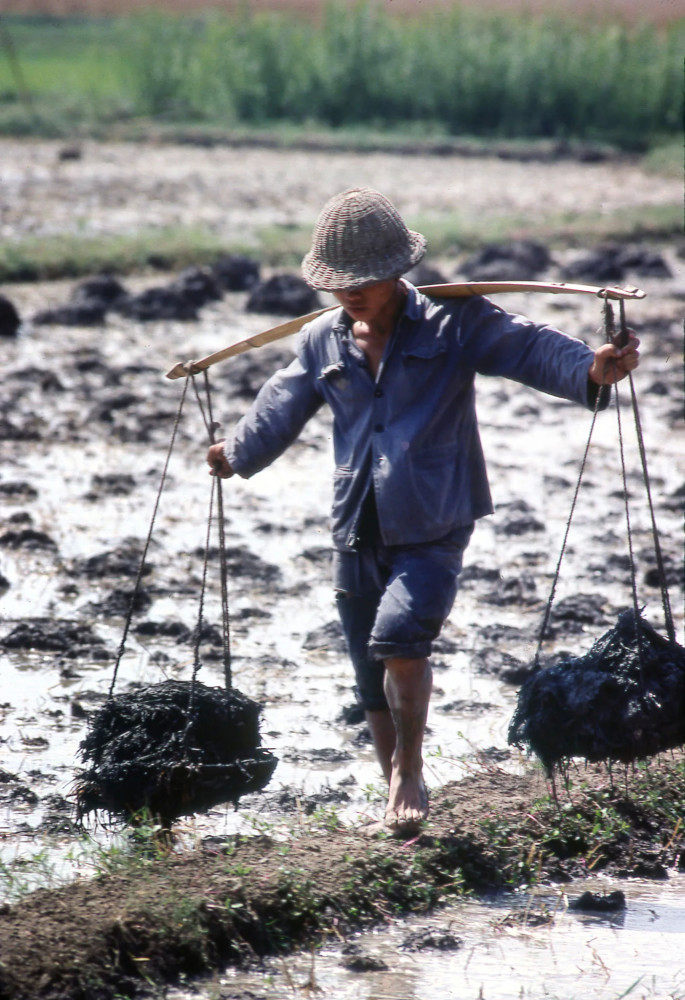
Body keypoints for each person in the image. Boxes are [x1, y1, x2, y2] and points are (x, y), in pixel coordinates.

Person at [207, 187, 640, 836]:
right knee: (366, 665)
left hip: (433, 518)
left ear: (397, 272)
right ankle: (393, 789)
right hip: (356, 523)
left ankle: (409, 774)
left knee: (401, 641)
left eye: (364, 281)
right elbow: (280, 404)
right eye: (338, 284)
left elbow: (529, 348)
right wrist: (232, 454)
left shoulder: (454, 323)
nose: (350, 294)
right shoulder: (323, 341)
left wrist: (594, 370)